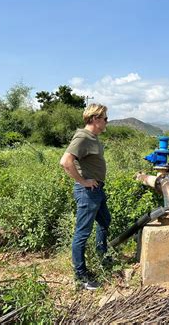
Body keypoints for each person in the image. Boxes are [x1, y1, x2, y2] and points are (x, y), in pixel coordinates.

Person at [60, 103, 111, 291]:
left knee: (105, 221)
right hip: (88, 192)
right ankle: (81, 277)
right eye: (105, 118)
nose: (107, 122)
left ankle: (102, 256)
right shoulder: (82, 137)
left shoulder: (94, 137)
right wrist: (83, 181)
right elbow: (65, 162)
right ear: (95, 119)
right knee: (82, 233)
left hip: (97, 190)